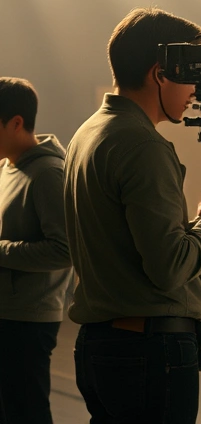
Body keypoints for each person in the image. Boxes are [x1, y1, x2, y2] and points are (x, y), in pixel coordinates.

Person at [64, 7, 201, 424]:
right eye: (190, 73)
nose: (196, 88)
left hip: (102, 347)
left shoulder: (89, 132)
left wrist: (192, 226)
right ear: (160, 73)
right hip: (147, 352)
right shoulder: (142, 145)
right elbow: (169, 267)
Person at [0, 78, 72, 424]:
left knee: (26, 412)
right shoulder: (6, 166)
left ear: (16, 123)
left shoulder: (49, 173)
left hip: (28, 319)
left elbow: (63, 250)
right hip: (7, 311)